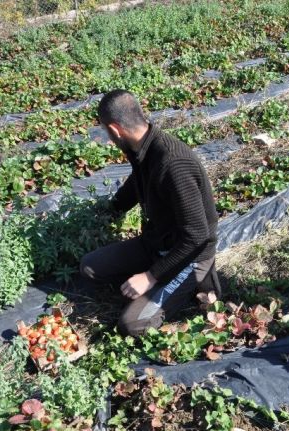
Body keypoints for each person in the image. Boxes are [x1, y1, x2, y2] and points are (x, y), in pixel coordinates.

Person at [80, 89, 220, 336]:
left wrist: (150, 276)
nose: (108, 137)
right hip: (156, 243)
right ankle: (155, 283)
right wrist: (109, 211)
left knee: (132, 324)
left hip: (191, 254)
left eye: (105, 132)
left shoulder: (174, 164)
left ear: (114, 130)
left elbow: (198, 236)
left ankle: (198, 283)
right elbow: (137, 183)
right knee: (89, 267)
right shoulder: (143, 149)